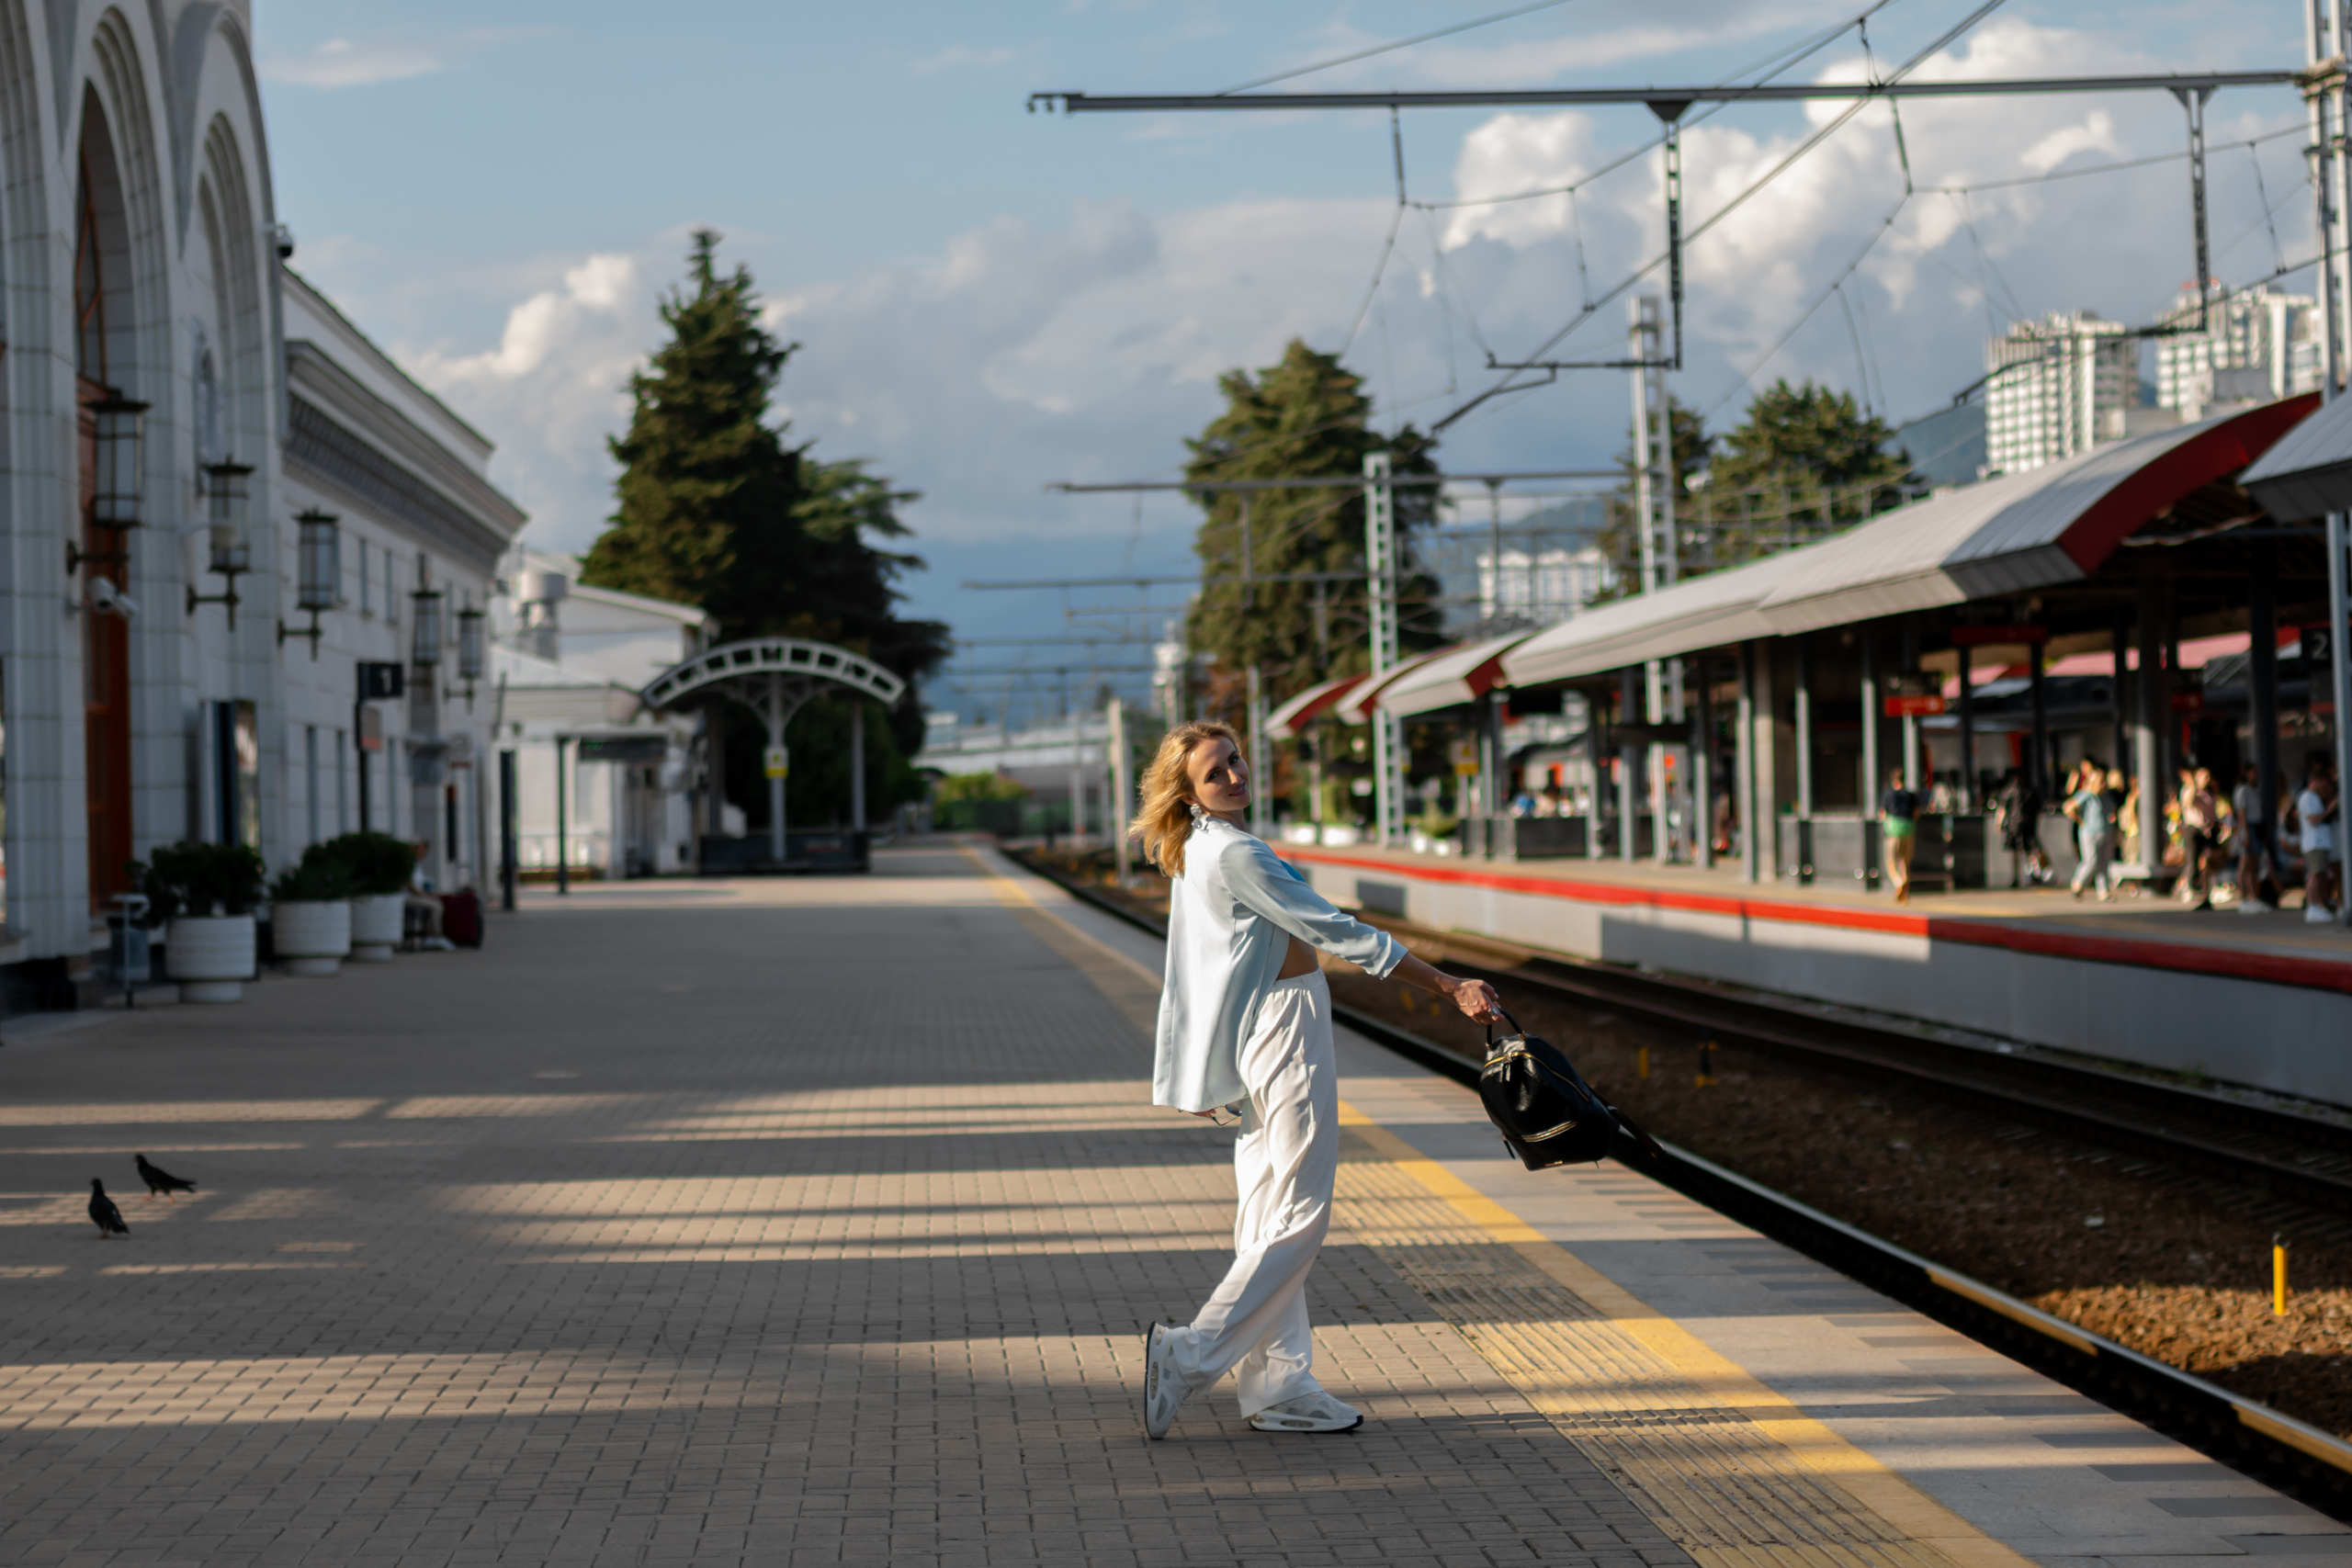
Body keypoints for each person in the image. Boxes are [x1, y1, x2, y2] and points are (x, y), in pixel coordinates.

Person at [1134, 720, 1501, 1439]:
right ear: (1191, 793)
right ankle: (1189, 1354)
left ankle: (1278, 1383)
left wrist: (1205, 1069)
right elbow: (1340, 932)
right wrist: (1447, 983)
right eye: (1216, 772)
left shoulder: (1199, 849)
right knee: (1300, 1211)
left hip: (1254, 1035)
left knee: (1267, 1213)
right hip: (1285, 1029)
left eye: (1235, 758)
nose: (1236, 774)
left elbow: (1194, 972)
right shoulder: (1236, 852)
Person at [2064, 760, 2115, 901]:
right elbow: (2068, 807)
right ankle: (2078, 883)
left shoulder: (2106, 796)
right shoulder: (2086, 795)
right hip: (2089, 832)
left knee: (2104, 863)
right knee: (2091, 861)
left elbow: (2113, 809)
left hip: (2106, 831)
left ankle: (2103, 891)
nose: (2103, 784)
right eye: (2100, 782)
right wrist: (2080, 820)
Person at [2300, 758, 2340, 924]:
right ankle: (2312, 905)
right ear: (2316, 781)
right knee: (2315, 875)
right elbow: (2313, 819)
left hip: (2318, 842)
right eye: (2324, 784)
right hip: (2314, 842)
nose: (2325, 788)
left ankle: (2317, 904)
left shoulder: (2312, 797)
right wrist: (2329, 810)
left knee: (2319, 874)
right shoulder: (2308, 797)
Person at [2234, 762, 2275, 914]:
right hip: (2249, 827)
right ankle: (2244, 897)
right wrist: (2245, 833)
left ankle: (2253, 896)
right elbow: (2241, 813)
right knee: (2245, 863)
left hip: (2256, 827)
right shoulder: (2242, 790)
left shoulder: (2253, 790)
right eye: (2253, 773)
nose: (2256, 776)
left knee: (2253, 865)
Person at [2176, 766, 2216, 908]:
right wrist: (2193, 785)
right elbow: (2187, 804)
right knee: (2192, 858)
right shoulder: (2189, 791)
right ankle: (2188, 886)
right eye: (2203, 776)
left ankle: (2207, 888)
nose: (2207, 779)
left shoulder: (2210, 794)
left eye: (2208, 776)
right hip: (2193, 828)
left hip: (2207, 830)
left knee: (2208, 859)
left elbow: (2212, 812)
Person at [1880, 767, 1919, 905]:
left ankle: (1898, 882)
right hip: (1908, 831)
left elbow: (1883, 813)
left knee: (1890, 860)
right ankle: (1904, 890)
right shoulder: (1911, 795)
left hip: (1893, 832)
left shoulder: (1888, 794)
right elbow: (1916, 814)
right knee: (1904, 861)